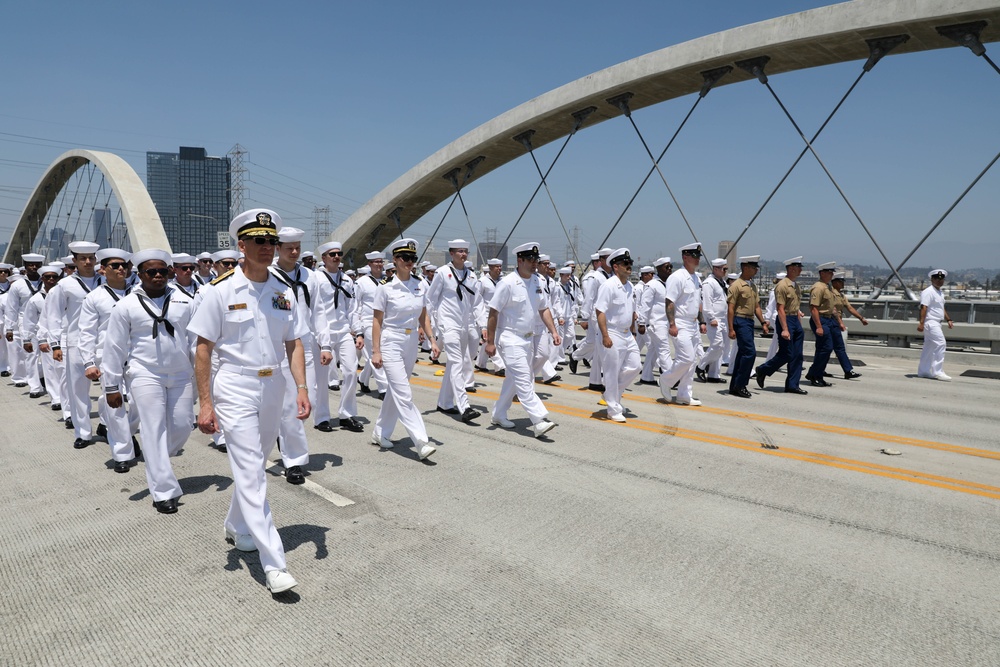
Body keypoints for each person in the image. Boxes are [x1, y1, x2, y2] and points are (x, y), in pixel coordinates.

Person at [188, 208, 310, 595]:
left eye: (272, 241)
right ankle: (274, 563)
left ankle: (237, 525)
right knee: (253, 474)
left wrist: (302, 389)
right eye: (259, 241)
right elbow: (203, 350)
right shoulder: (219, 290)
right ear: (241, 245)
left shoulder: (282, 290)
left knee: (254, 464)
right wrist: (205, 404)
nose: (267, 248)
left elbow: (294, 343)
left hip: (273, 386)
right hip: (235, 388)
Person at [102, 249, 195, 509]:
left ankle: (157, 462)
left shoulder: (185, 301)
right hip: (144, 374)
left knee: (183, 425)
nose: (157, 275)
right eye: (151, 272)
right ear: (139, 274)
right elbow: (114, 348)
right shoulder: (126, 305)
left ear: (170, 272)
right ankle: (163, 491)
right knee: (153, 429)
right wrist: (111, 386)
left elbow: (198, 340)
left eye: (162, 271)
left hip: (180, 374)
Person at [270, 227, 332, 482]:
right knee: (289, 405)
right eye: (289, 248)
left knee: (310, 400)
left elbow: (319, 312)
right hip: (278, 345)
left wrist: (325, 345)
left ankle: (283, 434)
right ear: (278, 249)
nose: (294, 252)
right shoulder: (269, 275)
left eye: (297, 247)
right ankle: (294, 461)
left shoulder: (311, 276)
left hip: (304, 344)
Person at [369, 238, 439, 460]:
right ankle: (421, 440)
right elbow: (377, 321)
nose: (410, 262)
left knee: (396, 391)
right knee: (403, 392)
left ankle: (380, 432)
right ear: (396, 260)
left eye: (413, 258)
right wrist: (376, 351)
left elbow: (423, 316)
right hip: (391, 341)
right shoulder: (386, 289)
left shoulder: (420, 284)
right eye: (406, 258)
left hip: (411, 343)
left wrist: (432, 340)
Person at [485, 242, 559, 438]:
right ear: (520, 260)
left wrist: (553, 331)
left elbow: (543, 309)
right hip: (510, 338)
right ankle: (539, 419)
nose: (535, 263)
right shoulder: (507, 283)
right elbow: (493, 312)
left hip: (528, 339)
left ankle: (499, 414)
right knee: (525, 379)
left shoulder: (537, 281)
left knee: (513, 379)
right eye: (530, 260)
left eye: (536, 260)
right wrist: (490, 342)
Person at [79, 248, 141, 471]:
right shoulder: (94, 297)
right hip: (108, 359)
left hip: (137, 358)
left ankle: (127, 433)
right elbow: (86, 332)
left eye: (124, 265)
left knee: (138, 405)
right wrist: (88, 363)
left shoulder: (138, 293)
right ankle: (122, 453)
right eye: (115, 265)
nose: (121, 269)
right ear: (103, 270)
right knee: (116, 405)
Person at [45, 241, 104, 449]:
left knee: (110, 388)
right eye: (83, 258)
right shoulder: (65, 285)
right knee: (78, 390)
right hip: (76, 342)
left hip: (103, 343)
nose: (88, 262)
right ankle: (83, 432)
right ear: (74, 261)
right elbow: (53, 316)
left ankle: (106, 425)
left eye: (91, 258)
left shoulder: (105, 281)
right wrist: (55, 344)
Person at [312, 240, 364, 433]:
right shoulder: (315, 278)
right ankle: (322, 417)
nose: (336, 257)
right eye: (332, 254)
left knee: (351, 371)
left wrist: (358, 332)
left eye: (339, 254)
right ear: (324, 258)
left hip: (342, 331)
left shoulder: (347, 280)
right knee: (321, 378)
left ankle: (346, 414)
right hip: (321, 333)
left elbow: (352, 309)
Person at [594, 248, 641, 422]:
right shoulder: (609, 285)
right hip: (612, 332)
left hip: (627, 333)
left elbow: (632, 312)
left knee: (635, 366)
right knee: (611, 373)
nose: (629, 267)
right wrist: (605, 335)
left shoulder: (630, 286)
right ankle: (613, 409)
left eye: (630, 264)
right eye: (625, 264)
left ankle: (610, 395)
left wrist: (633, 331)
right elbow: (600, 311)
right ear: (616, 266)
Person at [659, 243, 707, 405]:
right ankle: (666, 380)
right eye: (694, 256)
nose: (697, 259)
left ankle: (684, 394)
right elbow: (669, 302)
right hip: (680, 323)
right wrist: (672, 324)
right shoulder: (677, 277)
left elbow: (697, 302)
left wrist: (702, 321)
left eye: (698, 256)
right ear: (685, 257)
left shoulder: (696, 278)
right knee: (686, 358)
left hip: (693, 324)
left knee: (692, 361)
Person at [755, 257, 807, 394]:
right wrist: (785, 329)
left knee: (797, 355)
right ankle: (763, 369)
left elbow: (795, 306)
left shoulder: (796, 286)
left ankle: (792, 384)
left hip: (795, 320)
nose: (801, 269)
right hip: (786, 320)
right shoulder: (782, 285)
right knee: (786, 353)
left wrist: (798, 321)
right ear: (791, 268)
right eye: (798, 266)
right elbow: (780, 308)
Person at [726, 256, 769, 398]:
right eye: (753, 267)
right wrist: (731, 328)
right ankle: (741, 385)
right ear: (745, 268)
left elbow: (757, 306)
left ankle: (734, 386)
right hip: (740, 320)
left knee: (742, 354)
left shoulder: (752, 286)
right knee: (750, 353)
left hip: (749, 322)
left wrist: (763, 322)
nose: (756, 270)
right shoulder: (736, 285)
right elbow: (730, 308)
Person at [4, 253, 46, 390]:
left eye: (37, 265)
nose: (34, 267)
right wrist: (9, 328)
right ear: (26, 267)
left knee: (48, 354)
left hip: (46, 321)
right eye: (31, 265)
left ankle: (47, 381)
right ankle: (35, 387)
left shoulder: (48, 281)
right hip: (27, 323)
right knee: (31, 354)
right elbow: (11, 308)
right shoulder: (18, 285)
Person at [355, 250, 390, 396]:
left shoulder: (389, 281)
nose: (379, 265)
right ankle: (384, 389)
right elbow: (355, 306)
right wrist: (357, 329)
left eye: (381, 262)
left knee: (379, 356)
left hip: (385, 323)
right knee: (375, 354)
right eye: (376, 262)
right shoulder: (361, 282)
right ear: (369, 264)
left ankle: (363, 379)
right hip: (368, 322)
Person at [804, 262, 839, 387]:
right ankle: (815, 374)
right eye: (829, 272)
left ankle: (816, 374)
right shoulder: (818, 287)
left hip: (828, 319)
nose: (831, 275)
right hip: (820, 319)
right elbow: (814, 308)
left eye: (832, 273)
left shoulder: (827, 287)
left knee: (822, 349)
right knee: (826, 348)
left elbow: (831, 307)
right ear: (822, 273)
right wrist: (819, 326)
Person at [638, 257, 672, 386]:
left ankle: (646, 376)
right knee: (664, 350)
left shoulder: (668, 284)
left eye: (670, 267)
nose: (669, 270)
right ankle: (671, 379)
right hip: (656, 323)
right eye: (666, 267)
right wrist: (641, 323)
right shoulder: (652, 285)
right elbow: (645, 304)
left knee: (653, 350)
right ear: (658, 269)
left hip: (665, 323)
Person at [696, 258, 730, 384]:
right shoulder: (709, 283)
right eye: (723, 269)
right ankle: (701, 366)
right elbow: (707, 303)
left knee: (721, 348)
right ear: (716, 269)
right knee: (717, 344)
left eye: (726, 269)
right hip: (714, 319)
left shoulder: (721, 282)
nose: (725, 271)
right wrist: (711, 318)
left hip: (723, 318)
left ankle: (714, 374)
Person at [917, 269, 954, 381]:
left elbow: (941, 308)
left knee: (929, 347)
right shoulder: (929, 291)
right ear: (932, 279)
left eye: (941, 279)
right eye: (937, 279)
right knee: (941, 344)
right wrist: (921, 323)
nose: (939, 281)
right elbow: (924, 307)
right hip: (931, 322)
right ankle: (938, 371)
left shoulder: (939, 293)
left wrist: (948, 319)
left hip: (937, 322)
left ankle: (923, 371)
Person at [830, 272, 866, 379]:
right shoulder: (830, 293)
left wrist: (861, 318)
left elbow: (850, 308)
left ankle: (847, 370)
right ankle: (847, 370)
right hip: (831, 321)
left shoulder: (841, 295)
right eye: (841, 282)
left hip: (837, 322)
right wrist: (840, 322)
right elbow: (833, 309)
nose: (843, 284)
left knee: (833, 348)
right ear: (835, 282)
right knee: (829, 348)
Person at [474, 258, 506, 376]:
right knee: (491, 340)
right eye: (497, 267)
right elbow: (477, 300)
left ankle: (480, 363)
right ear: (491, 268)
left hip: (499, 314)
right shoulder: (482, 281)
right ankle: (500, 366)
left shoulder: (502, 281)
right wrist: (479, 316)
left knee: (489, 339)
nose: (499, 269)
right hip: (486, 314)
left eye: (500, 267)